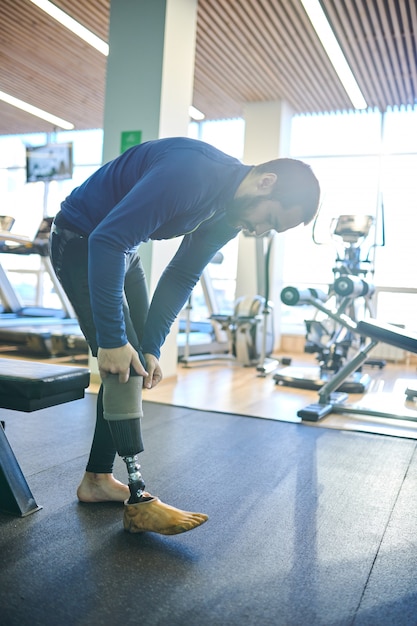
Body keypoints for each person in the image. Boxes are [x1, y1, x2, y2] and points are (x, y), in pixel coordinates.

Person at [49, 136, 320, 535]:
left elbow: (181, 275)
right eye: (270, 221)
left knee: (139, 358)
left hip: (122, 250)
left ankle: (97, 480)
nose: (261, 232)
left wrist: (153, 345)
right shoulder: (191, 174)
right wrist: (111, 340)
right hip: (82, 239)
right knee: (120, 362)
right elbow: (106, 238)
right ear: (266, 183)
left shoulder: (231, 212)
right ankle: (129, 490)